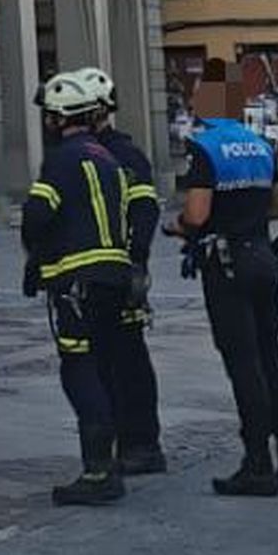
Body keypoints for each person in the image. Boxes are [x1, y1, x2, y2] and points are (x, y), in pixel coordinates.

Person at [166, 81, 278, 495]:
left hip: (226, 264)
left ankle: (257, 465)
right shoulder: (260, 144)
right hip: (263, 256)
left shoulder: (204, 147)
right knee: (271, 358)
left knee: (243, 363)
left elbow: (197, 213)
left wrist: (178, 226)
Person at [23, 71, 133, 506]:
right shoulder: (109, 159)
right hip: (115, 277)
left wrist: (38, 256)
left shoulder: (61, 160)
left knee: (79, 370)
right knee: (105, 367)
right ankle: (113, 460)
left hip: (76, 282)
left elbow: (37, 214)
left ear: (57, 118)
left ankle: (97, 471)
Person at [76, 67, 165, 476]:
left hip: (116, 273)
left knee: (126, 359)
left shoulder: (120, 156)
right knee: (111, 359)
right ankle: (126, 441)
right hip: (102, 274)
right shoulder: (97, 153)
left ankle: (141, 444)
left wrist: (135, 262)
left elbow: (144, 210)